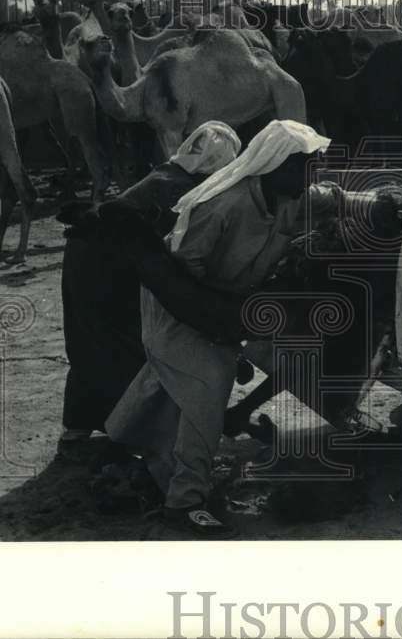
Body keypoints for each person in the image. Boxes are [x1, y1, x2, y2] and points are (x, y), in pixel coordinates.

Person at [106, 120, 356, 537]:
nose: (313, 176)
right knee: (207, 382)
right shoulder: (223, 206)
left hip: (232, 312)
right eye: (306, 167)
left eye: (316, 168)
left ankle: (123, 443)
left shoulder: (292, 195)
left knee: (281, 355)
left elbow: (334, 199)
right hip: (179, 312)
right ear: (274, 165)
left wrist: (383, 204)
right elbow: (182, 278)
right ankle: (184, 502)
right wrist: (223, 327)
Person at [58, 121, 242, 459]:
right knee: (131, 347)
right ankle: (132, 434)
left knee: (89, 345)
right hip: (109, 265)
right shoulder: (184, 189)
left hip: (85, 256)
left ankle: (77, 433)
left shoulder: (169, 173)